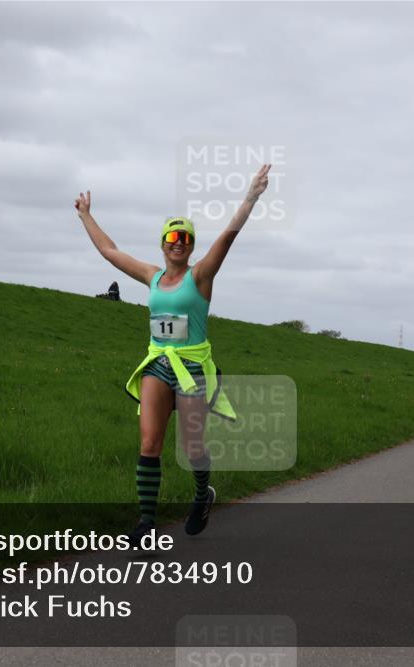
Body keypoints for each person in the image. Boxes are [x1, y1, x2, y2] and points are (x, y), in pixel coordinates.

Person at [75, 164, 271, 543]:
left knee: (192, 448)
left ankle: (202, 495)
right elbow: (110, 251)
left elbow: (227, 239)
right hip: (157, 366)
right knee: (150, 444)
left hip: (192, 369)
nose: (178, 242)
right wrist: (86, 215)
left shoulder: (200, 277)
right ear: (163, 243)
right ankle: (146, 524)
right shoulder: (152, 276)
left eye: (185, 238)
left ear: (191, 246)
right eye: (172, 236)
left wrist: (250, 198)